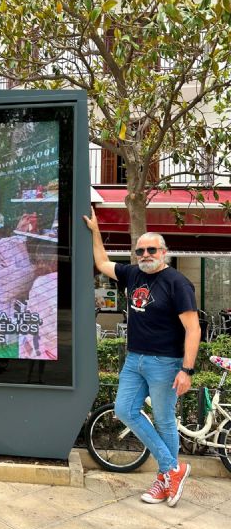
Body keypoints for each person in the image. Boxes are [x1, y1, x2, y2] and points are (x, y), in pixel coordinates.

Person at [84, 208, 200, 507]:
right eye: (140, 250)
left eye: (152, 250)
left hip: (166, 362)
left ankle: (164, 480)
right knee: (124, 410)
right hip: (134, 359)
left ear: (164, 252)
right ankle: (174, 468)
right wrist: (96, 231)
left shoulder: (178, 283)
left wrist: (186, 369)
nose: (145, 254)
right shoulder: (132, 273)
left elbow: (193, 329)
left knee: (164, 421)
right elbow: (100, 262)